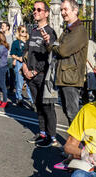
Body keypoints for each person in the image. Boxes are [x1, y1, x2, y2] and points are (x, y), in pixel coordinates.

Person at [42, 0, 88, 127]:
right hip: (64, 77)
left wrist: (56, 45)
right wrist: (50, 43)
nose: (62, 12)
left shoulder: (79, 30)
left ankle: (79, 144)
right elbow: (55, 47)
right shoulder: (68, 30)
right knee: (68, 112)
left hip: (71, 78)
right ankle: (75, 143)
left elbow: (62, 50)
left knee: (73, 114)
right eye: (61, 9)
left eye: (65, 9)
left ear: (75, 11)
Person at [22, 1, 58, 148]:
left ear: (46, 13)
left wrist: (35, 71)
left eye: (39, 9)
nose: (35, 12)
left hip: (43, 75)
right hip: (30, 75)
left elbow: (49, 56)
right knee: (38, 105)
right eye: (34, 9)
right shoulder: (34, 31)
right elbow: (26, 52)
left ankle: (52, 137)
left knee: (47, 106)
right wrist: (25, 68)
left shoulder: (50, 32)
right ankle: (42, 133)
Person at [10, 26, 34, 108]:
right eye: (23, 31)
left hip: (28, 63)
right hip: (19, 63)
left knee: (29, 82)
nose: (24, 33)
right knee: (19, 82)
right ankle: (19, 98)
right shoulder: (16, 42)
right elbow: (12, 53)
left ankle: (31, 100)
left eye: (26, 31)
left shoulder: (29, 42)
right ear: (19, 32)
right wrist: (17, 58)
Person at [1, 21, 15, 94]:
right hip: (3, 57)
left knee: (11, 73)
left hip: (10, 57)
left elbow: (15, 47)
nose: (2, 27)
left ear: (7, 27)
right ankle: (5, 87)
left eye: (3, 26)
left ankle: (12, 88)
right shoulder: (1, 36)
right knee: (4, 73)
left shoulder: (12, 36)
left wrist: (14, 58)